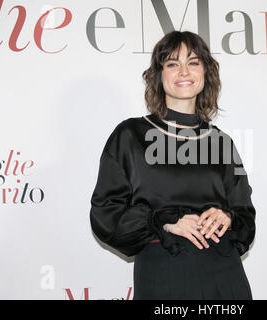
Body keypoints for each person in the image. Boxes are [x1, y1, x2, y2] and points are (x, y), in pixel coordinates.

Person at [89, 31, 256, 299]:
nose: (183, 71)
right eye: (172, 63)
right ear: (159, 75)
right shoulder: (130, 135)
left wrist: (228, 217)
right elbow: (105, 214)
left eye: (193, 62)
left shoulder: (222, 143)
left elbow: (246, 216)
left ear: (205, 72)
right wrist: (162, 222)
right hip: (164, 275)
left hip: (225, 277)